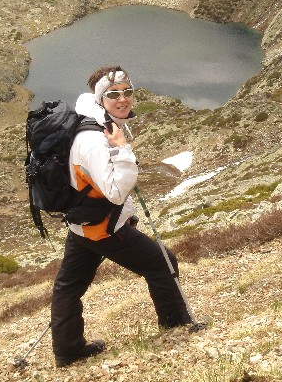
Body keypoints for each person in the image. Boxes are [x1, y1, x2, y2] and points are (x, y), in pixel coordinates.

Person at [50, 66, 192, 368]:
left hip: (81, 224)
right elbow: (114, 192)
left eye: (127, 91)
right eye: (113, 94)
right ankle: (176, 325)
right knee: (162, 262)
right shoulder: (93, 140)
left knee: (68, 287)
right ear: (100, 98)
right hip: (102, 228)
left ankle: (68, 350)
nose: (123, 99)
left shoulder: (95, 123)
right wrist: (124, 150)